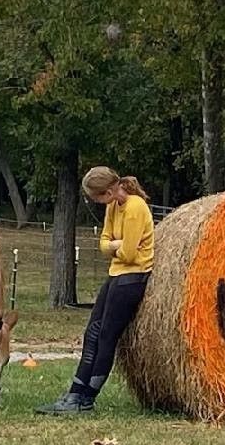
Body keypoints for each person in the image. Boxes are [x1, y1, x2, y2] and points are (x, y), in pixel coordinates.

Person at [35, 165, 154, 414]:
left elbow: (130, 255)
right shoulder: (113, 206)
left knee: (106, 337)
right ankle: (75, 392)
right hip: (116, 275)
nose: (97, 203)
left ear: (110, 190)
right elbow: (103, 244)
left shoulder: (134, 208)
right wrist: (115, 245)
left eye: (97, 197)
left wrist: (115, 246)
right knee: (92, 333)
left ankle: (88, 398)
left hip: (133, 277)